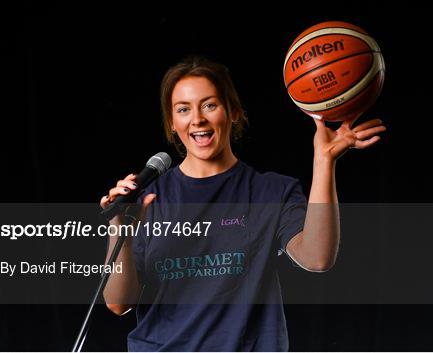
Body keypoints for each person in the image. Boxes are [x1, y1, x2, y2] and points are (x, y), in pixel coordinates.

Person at [100, 56, 386, 351]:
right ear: (172, 123)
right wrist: (119, 225)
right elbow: (118, 303)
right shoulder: (148, 199)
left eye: (210, 105)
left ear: (234, 111)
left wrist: (324, 161)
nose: (197, 119)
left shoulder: (270, 192)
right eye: (183, 109)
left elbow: (317, 258)